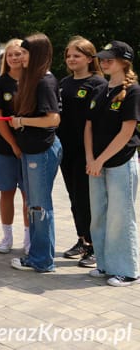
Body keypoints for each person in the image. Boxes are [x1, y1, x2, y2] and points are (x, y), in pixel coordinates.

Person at [85, 41, 140, 286]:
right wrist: (90, 159)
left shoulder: (134, 91)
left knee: (121, 216)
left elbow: (126, 132)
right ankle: (105, 264)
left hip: (120, 161)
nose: (104, 62)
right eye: (103, 59)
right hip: (96, 163)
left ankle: (128, 270)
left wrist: (100, 159)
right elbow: (88, 127)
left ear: (124, 61)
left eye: (110, 59)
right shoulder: (100, 89)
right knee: (98, 215)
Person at [8, 34, 62, 273]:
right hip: (32, 150)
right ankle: (38, 256)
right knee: (34, 205)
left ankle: (42, 260)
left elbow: (53, 119)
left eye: (26, 53)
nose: (21, 58)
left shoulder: (45, 82)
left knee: (39, 207)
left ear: (38, 54)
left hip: (42, 150)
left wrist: (21, 121)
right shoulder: (33, 80)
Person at [58, 36, 106, 267]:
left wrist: (94, 154)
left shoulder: (98, 84)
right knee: (74, 197)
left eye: (77, 55)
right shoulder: (63, 83)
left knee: (88, 199)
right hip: (65, 150)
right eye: (68, 55)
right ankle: (82, 240)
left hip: (86, 151)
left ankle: (96, 245)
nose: (71, 59)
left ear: (89, 58)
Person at [0, 39, 30, 255]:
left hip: (31, 148)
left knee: (28, 195)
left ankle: (29, 238)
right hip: (5, 148)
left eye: (18, 54)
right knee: (7, 192)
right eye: (10, 55)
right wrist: (13, 144)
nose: (14, 58)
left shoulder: (34, 81)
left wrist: (22, 146)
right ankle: (7, 236)